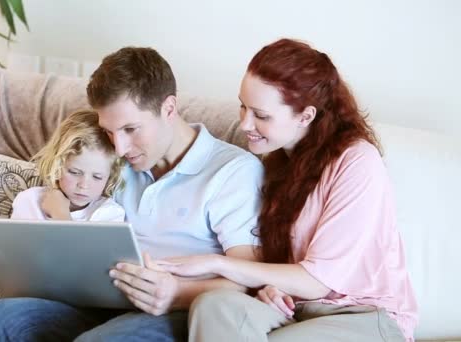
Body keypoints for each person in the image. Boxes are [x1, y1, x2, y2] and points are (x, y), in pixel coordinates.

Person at [0, 46, 264, 342]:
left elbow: (245, 280)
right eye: (109, 131)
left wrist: (175, 295)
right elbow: (57, 201)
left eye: (131, 129)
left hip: (172, 312)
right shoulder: (113, 161)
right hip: (94, 302)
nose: (119, 147)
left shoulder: (233, 171)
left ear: (169, 108)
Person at [158, 38, 418, 341]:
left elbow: (318, 280)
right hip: (298, 311)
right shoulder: (275, 162)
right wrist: (273, 286)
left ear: (306, 116)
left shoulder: (358, 162)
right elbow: (281, 263)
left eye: (261, 115)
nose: (244, 124)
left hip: (365, 316)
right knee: (213, 306)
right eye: (243, 107)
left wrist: (217, 263)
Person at [0, 110, 125, 288]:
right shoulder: (30, 200)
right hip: (30, 293)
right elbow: (14, 242)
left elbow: (90, 267)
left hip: (77, 298)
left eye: (97, 177)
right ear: (57, 165)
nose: (84, 185)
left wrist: (61, 215)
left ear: (110, 177)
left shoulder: (109, 214)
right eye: (74, 172)